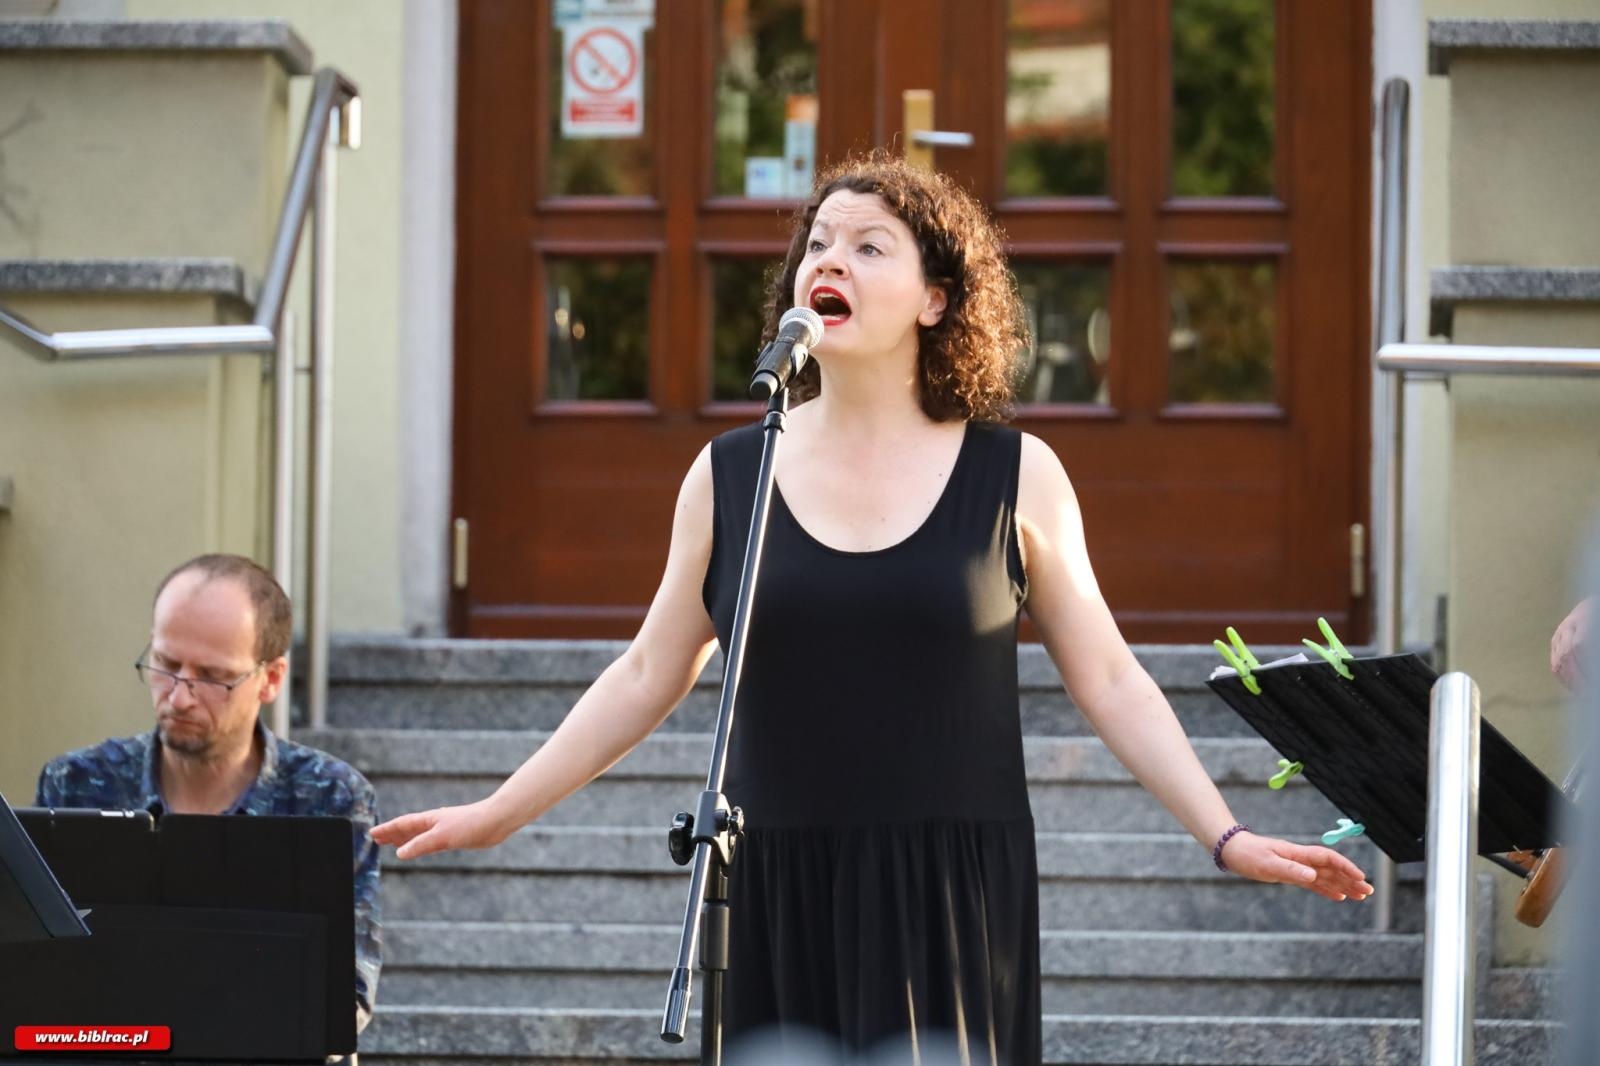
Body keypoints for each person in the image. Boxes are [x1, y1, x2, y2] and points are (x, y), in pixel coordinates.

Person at [372, 155, 1372, 1064]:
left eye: (867, 245)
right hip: (775, 881)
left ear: (937, 299)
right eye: (819, 243)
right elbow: (648, 670)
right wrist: (500, 811)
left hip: (950, 890)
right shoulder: (732, 471)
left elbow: (1108, 676)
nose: (831, 259)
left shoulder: (1015, 473)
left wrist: (1225, 833)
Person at [35, 553, 382, 1033]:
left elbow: (346, 997)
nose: (179, 696)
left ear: (272, 679)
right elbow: (38, 976)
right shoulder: (74, 783)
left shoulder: (329, 797)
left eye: (213, 676)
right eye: (165, 663)